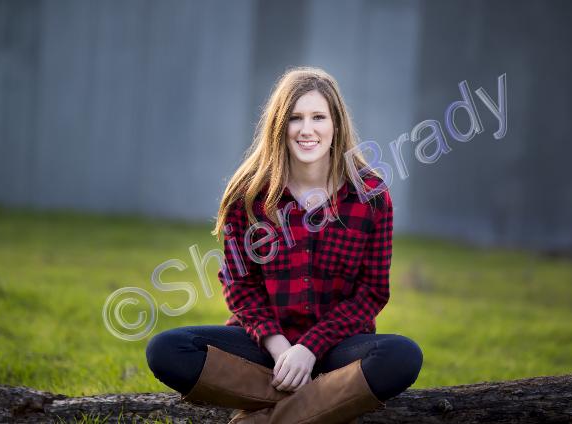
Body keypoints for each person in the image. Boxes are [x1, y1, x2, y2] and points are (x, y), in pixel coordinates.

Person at [145, 66, 423, 424]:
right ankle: (325, 397)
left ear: (336, 124)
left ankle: (262, 418)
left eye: (318, 117)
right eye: (295, 118)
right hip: (263, 347)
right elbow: (239, 286)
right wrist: (282, 350)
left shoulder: (371, 196)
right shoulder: (248, 196)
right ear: (280, 125)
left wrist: (309, 348)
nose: (307, 129)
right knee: (167, 349)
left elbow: (371, 294)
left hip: (338, 348)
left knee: (402, 355)